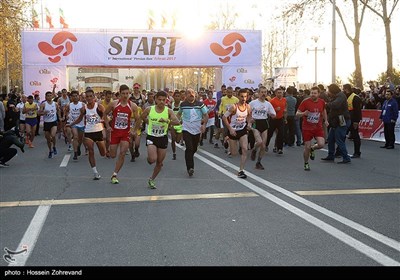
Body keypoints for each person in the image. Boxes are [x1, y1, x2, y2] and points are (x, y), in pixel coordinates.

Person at [135, 90, 180, 189]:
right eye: (159, 100)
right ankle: (149, 159)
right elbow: (140, 118)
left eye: (164, 100)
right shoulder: (149, 109)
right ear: (155, 99)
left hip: (162, 137)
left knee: (159, 162)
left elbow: (177, 122)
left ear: (166, 101)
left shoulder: (168, 111)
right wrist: (136, 129)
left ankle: (152, 179)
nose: (161, 102)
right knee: (152, 159)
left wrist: (167, 121)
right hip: (151, 136)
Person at [67, 88, 106, 180]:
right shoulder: (83, 108)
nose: (88, 98)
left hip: (99, 131)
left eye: (90, 96)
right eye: (87, 97)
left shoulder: (99, 107)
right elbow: (80, 119)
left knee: (102, 153)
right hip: (88, 132)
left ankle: (103, 152)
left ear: (94, 97)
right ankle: (95, 172)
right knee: (91, 151)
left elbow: (105, 117)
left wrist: (107, 126)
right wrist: (71, 124)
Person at [104, 84, 139, 184]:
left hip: (125, 133)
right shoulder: (114, 104)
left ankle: (115, 174)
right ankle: (109, 152)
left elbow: (138, 119)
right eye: (123, 93)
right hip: (115, 132)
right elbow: (105, 114)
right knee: (113, 155)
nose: (125, 95)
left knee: (123, 153)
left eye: (127, 93)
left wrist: (134, 130)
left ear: (129, 93)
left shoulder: (133, 105)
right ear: (119, 94)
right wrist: (107, 126)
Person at [177, 89, 208, 177]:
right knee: (189, 148)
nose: (191, 94)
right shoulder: (183, 104)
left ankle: (189, 156)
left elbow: (206, 115)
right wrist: (176, 121)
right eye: (189, 93)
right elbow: (179, 114)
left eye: (193, 93)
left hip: (197, 129)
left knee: (194, 148)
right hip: (186, 128)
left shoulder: (200, 104)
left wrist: (204, 124)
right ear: (185, 95)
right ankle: (190, 168)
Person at [296, 86, 328, 171]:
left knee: (321, 144)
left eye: (315, 93)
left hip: (318, 127)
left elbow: (324, 110)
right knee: (307, 146)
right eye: (312, 93)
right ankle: (306, 163)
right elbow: (297, 113)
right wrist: (303, 113)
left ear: (318, 94)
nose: (313, 95)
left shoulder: (322, 102)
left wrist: (326, 120)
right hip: (307, 127)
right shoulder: (305, 102)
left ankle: (313, 148)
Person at [222, 88, 252, 179]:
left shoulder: (248, 107)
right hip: (233, 131)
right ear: (238, 96)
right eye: (242, 96)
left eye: (245, 97)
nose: (243, 98)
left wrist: (249, 123)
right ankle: (226, 139)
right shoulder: (234, 107)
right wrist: (230, 128)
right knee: (234, 153)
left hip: (242, 130)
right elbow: (224, 117)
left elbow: (249, 116)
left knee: (244, 149)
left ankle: (241, 170)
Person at [322, 84, 351, 164]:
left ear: (333, 91)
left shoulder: (341, 96)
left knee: (339, 139)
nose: (328, 92)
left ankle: (346, 157)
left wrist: (326, 104)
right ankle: (331, 155)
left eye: (329, 91)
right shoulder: (336, 96)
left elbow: (335, 105)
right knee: (331, 139)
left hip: (342, 120)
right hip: (336, 121)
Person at [249, 86, 276, 170]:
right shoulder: (253, 103)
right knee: (259, 141)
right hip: (256, 123)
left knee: (263, 146)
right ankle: (254, 149)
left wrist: (272, 115)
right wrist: (250, 120)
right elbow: (247, 112)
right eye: (262, 92)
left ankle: (258, 162)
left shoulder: (268, 104)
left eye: (265, 92)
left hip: (264, 122)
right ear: (258, 93)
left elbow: (273, 114)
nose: (263, 94)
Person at [39, 91, 61, 159]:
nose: (49, 97)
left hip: (53, 122)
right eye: (48, 96)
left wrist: (59, 117)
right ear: (45, 97)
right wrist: (43, 113)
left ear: (52, 96)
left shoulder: (55, 104)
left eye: (50, 95)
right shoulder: (43, 104)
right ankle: (50, 150)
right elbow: (39, 113)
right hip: (46, 123)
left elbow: (58, 110)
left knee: (53, 135)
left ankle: (54, 146)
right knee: (48, 139)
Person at [343, 84, 363, 158]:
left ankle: (357, 152)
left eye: (343, 89)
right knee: (342, 135)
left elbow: (358, 111)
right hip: (345, 119)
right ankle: (339, 152)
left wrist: (356, 121)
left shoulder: (355, 97)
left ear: (346, 89)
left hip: (353, 119)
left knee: (355, 136)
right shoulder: (345, 96)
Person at [65, 91, 85, 160]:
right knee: (75, 137)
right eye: (73, 96)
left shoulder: (82, 104)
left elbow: (85, 113)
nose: (75, 97)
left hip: (81, 123)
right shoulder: (69, 105)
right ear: (71, 97)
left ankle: (78, 146)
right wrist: (67, 115)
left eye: (76, 96)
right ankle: (75, 153)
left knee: (80, 139)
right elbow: (66, 111)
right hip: (73, 123)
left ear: (78, 96)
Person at [266, 87, 287, 154]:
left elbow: (285, 109)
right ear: (275, 93)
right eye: (278, 93)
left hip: (280, 119)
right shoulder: (272, 101)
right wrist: (275, 110)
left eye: (281, 93)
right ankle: (266, 145)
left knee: (281, 133)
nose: (280, 94)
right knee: (269, 134)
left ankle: (279, 148)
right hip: (273, 119)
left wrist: (285, 118)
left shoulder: (284, 100)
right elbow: (268, 111)